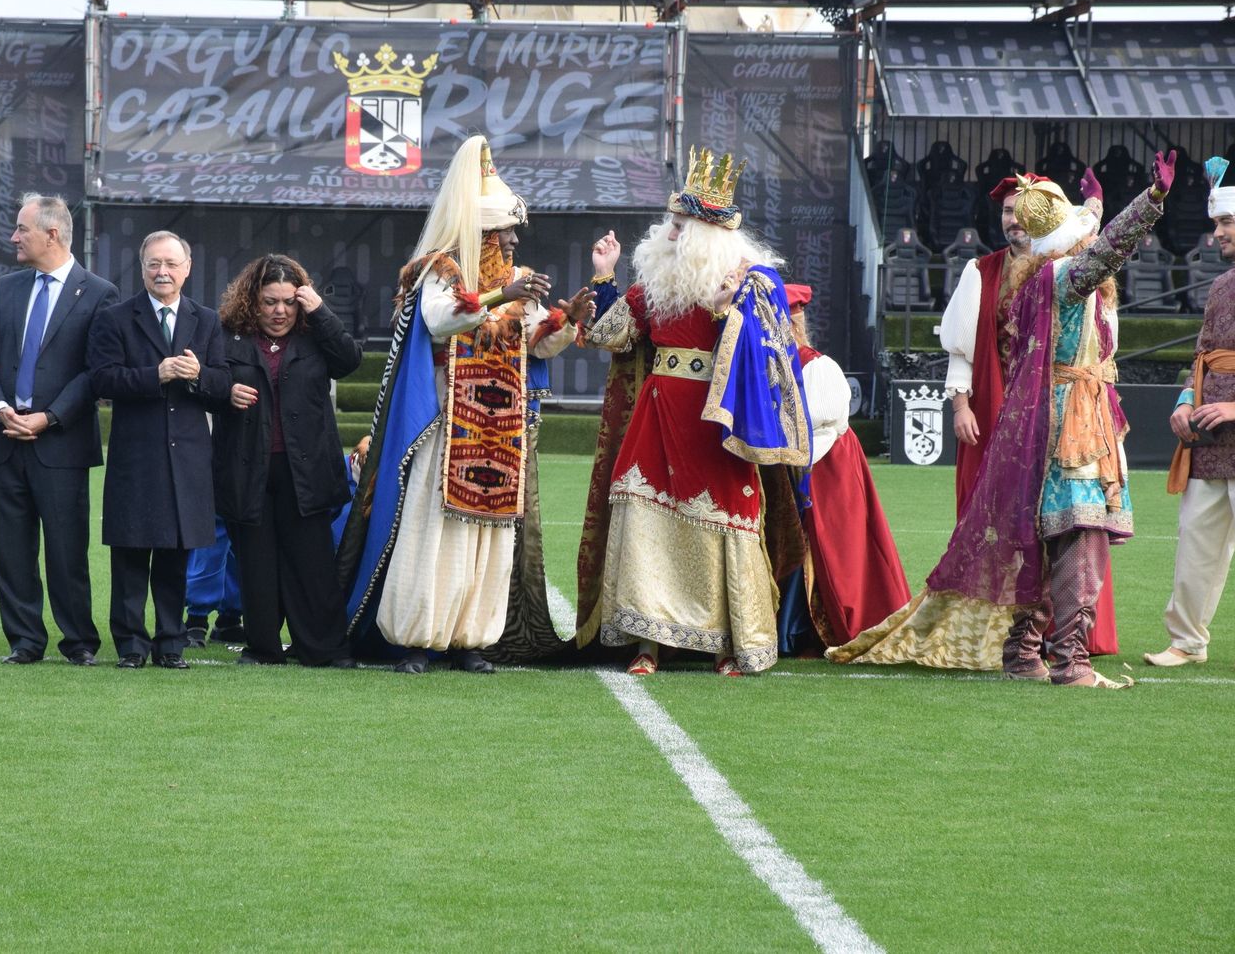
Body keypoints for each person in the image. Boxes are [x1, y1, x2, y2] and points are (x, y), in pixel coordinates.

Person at [829, 152, 1177, 688]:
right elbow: (1107, 249)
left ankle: (1022, 655)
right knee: (1081, 537)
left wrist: (1094, 203)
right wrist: (1150, 202)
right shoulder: (1068, 276)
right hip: (1072, 425)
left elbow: (1089, 236)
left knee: (1042, 540)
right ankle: (1073, 662)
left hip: (1062, 417)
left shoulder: (1041, 273)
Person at [337, 135, 590, 674]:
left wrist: (567, 320)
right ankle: (416, 640)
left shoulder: (519, 282)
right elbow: (440, 320)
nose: (515, 240)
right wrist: (503, 298)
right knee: (432, 530)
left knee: (489, 536)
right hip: (444, 421)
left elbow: (535, 342)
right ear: (483, 233)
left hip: (500, 429)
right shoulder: (439, 269)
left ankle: (470, 640)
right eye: (505, 231)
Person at [575, 147, 812, 676]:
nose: (669, 233)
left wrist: (731, 310)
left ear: (709, 234)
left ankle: (728, 644)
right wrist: (604, 277)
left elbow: (775, 350)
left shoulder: (752, 281)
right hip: (656, 417)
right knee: (644, 517)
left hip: (715, 423)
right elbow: (606, 335)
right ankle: (646, 645)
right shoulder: (654, 284)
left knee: (722, 522)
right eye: (670, 223)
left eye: (681, 226)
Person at [941, 168, 1119, 656]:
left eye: (1025, 211)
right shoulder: (983, 271)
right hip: (998, 402)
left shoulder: (1076, 275)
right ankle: (1007, 637)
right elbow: (962, 346)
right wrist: (961, 402)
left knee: (1062, 522)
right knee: (1002, 519)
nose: (1014, 219)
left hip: (1063, 410)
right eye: (1006, 211)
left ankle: (1047, 637)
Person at [0, 193, 118, 666]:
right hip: (5, 441)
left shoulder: (99, 292)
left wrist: (50, 416)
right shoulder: (6, 288)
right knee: (9, 551)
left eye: (22, 229)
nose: (14, 237)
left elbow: (96, 372)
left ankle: (78, 641)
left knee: (66, 549)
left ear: (51, 234)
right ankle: (24, 640)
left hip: (61, 444)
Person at [87, 230, 229, 669]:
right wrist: (157, 373)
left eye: (170, 264)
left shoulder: (205, 320)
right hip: (136, 457)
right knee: (130, 556)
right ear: (142, 268)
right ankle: (131, 645)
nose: (162, 272)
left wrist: (197, 374)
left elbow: (222, 386)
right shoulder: (115, 318)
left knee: (174, 557)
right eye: (153, 264)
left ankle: (171, 643)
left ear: (187, 269)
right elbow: (102, 379)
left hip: (187, 460)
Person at [214, 254, 361, 667]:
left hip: (307, 469)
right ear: (251, 301)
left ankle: (324, 648)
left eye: (289, 302)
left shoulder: (316, 333)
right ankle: (261, 648)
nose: (280, 311)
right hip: (248, 468)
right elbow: (204, 382)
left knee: (312, 564)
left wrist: (321, 310)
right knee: (256, 566)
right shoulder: (227, 335)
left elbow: (349, 361)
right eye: (269, 302)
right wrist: (224, 390)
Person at [1149, 157, 1235, 670]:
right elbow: (1202, 353)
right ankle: (1186, 642)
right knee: (1195, 547)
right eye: (1216, 224)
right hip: (1208, 444)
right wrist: (1185, 401)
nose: (1217, 234)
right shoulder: (1220, 286)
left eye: (1227, 222)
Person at [776, 283, 909, 654]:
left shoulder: (816, 366)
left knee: (835, 548)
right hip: (793, 463)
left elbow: (823, 419)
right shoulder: (768, 366)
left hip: (826, 463)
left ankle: (827, 625)